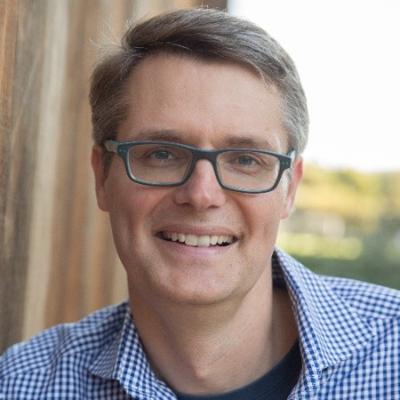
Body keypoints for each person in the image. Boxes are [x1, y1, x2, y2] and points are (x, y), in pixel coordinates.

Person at [1, 8, 399, 400]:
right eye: (161, 154)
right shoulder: (22, 386)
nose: (202, 195)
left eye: (246, 160)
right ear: (102, 176)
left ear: (290, 188)